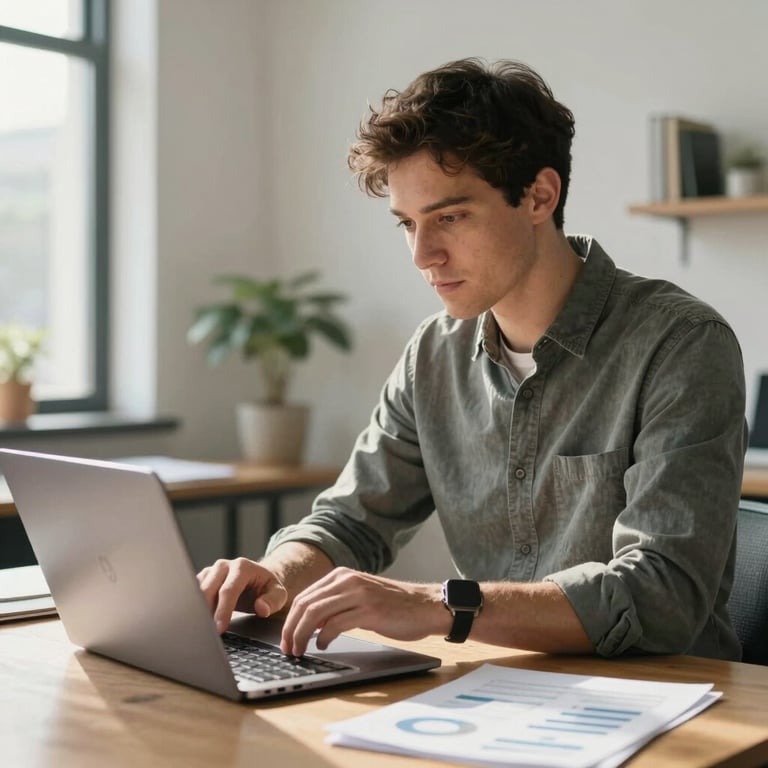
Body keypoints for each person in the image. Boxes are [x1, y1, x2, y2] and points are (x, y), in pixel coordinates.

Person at [197, 58, 747, 661]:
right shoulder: (433, 354)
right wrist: (277, 575)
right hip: (494, 697)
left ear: (539, 196)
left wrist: (437, 605)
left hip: (672, 706)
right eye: (407, 223)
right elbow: (353, 521)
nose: (422, 255)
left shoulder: (682, 343)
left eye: (450, 217)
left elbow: (660, 596)